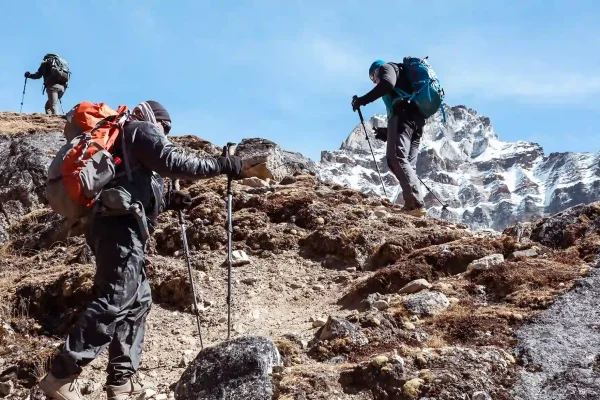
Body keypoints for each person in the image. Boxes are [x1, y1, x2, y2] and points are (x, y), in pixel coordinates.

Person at [38, 100, 243, 400]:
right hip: (119, 229)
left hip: (115, 227)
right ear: (153, 118)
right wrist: (223, 164)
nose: (165, 132)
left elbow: (130, 186)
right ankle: (61, 374)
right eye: (164, 126)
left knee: (138, 300)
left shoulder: (127, 141)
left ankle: (121, 381)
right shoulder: (140, 129)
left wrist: (168, 202)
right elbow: (176, 162)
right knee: (115, 298)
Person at [351, 60, 426, 217]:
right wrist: (388, 132)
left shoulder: (387, 68)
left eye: (373, 78)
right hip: (416, 121)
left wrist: (362, 100)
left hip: (403, 115)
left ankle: (415, 204)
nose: (374, 81)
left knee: (396, 158)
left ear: (376, 71)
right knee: (407, 163)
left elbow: (387, 84)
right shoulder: (404, 77)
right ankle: (413, 205)